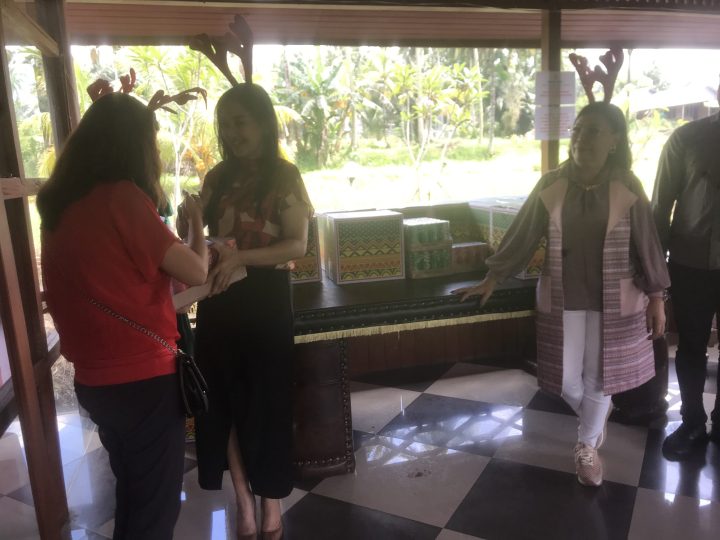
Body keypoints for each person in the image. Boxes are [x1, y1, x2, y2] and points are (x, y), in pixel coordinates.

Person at [454, 102, 669, 487]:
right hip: (562, 297)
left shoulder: (627, 184)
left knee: (600, 378)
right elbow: (522, 233)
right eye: (578, 130)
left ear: (615, 140)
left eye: (594, 131)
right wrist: (493, 277)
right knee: (566, 381)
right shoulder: (552, 183)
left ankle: (587, 445)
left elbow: (647, 243)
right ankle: (596, 418)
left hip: (615, 300)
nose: (582, 138)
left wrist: (657, 296)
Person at [38, 92, 208, 540]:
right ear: (134, 145)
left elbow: (121, 285)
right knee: (155, 509)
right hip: (143, 384)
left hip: (97, 383)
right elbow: (196, 270)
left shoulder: (60, 208)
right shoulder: (122, 197)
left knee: (135, 494)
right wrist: (197, 222)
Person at [179, 83, 312, 540]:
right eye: (224, 125)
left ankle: (271, 502)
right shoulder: (216, 177)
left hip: (267, 301)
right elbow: (200, 241)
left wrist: (242, 258)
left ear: (263, 123)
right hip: (219, 298)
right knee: (225, 404)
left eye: (240, 122)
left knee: (267, 404)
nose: (231, 133)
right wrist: (191, 219)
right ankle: (244, 503)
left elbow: (297, 244)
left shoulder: (285, 176)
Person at [653, 80, 720, 460]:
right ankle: (692, 421)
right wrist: (654, 274)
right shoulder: (686, 139)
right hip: (691, 263)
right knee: (692, 346)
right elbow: (660, 206)